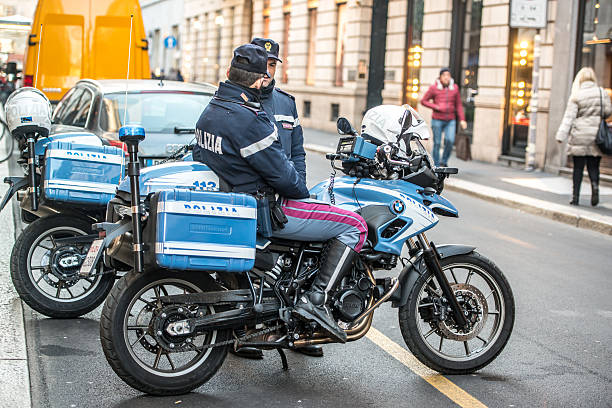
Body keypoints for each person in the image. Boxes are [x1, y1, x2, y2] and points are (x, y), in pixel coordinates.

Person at [194, 44, 367, 349]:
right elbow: (283, 176)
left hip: (236, 201)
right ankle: (316, 301)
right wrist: (300, 192)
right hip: (264, 208)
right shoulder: (249, 117)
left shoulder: (213, 109)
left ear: (228, 73)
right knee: (354, 224)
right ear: (261, 80)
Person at [556, 67, 612, 206]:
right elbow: (607, 112)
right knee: (594, 167)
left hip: (579, 135)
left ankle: (575, 197)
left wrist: (561, 135)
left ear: (580, 79)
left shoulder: (577, 95)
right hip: (596, 136)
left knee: (578, 168)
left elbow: (569, 118)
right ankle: (595, 187)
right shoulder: (602, 93)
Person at [420, 67, 467, 166]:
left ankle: (444, 161)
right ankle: (436, 165)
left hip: (451, 120)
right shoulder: (434, 88)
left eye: (448, 75)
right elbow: (423, 101)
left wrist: (462, 119)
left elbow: (458, 104)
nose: (446, 77)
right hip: (437, 119)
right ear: (440, 77)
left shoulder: (454, 88)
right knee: (437, 143)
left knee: (450, 140)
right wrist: (436, 106)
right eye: (444, 75)